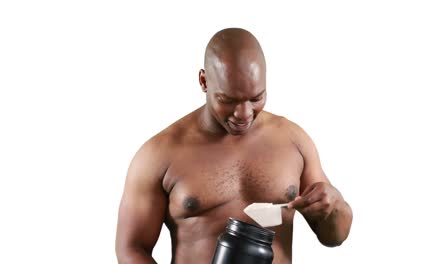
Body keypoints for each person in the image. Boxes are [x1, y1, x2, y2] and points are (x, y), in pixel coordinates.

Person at [115, 27, 353, 264]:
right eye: (228, 100)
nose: (244, 113)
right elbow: (131, 248)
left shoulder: (293, 141)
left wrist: (334, 207)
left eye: (256, 98)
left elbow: (335, 237)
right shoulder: (159, 154)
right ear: (204, 81)